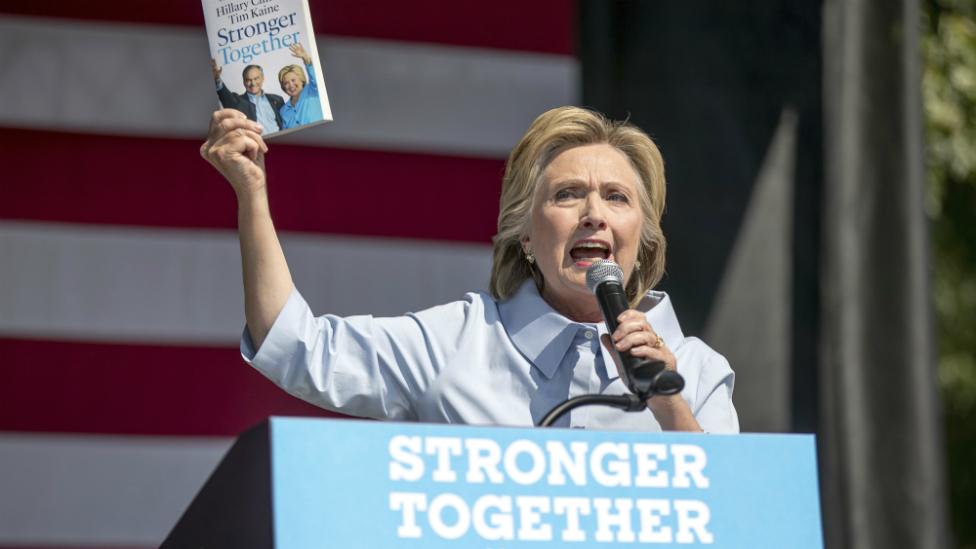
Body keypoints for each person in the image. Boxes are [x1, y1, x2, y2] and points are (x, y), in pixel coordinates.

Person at [199, 106, 739, 433]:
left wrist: (669, 402)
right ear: (524, 235)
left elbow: (736, 522)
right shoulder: (455, 343)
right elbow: (294, 345)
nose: (593, 214)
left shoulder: (699, 371)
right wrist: (253, 195)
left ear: (642, 242)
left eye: (616, 197)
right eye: (568, 194)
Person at [211, 59, 284, 135]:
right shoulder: (237, 101)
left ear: (262, 78)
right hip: (257, 144)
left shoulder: (277, 99)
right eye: (248, 80)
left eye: (256, 78)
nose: (253, 83)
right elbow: (225, 96)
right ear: (244, 82)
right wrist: (217, 79)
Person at [277, 43, 323, 129]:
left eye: (293, 80)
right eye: (286, 83)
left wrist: (306, 59)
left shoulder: (312, 90)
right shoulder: (283, 111)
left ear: (301, 79)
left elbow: (316, 78)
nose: (291, 85)